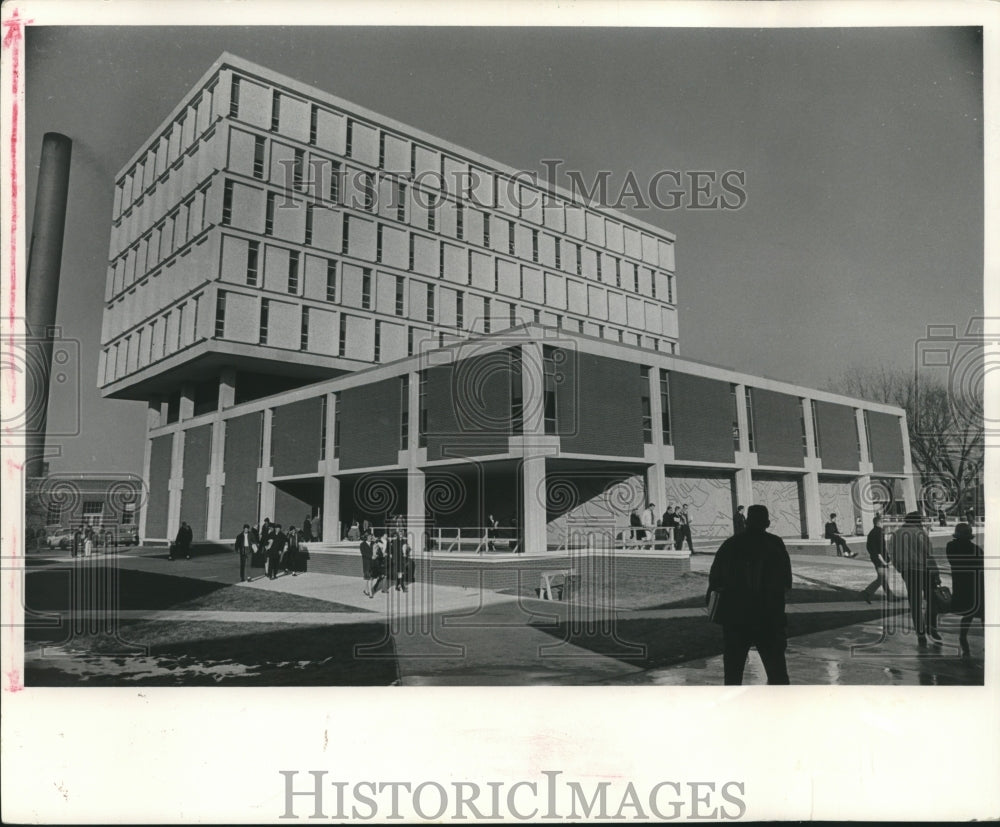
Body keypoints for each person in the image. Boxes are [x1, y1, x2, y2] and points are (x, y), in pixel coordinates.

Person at [707, 505, 792, 685]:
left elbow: (715, 581)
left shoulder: (731, 545)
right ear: (767, 523)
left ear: (746, 522)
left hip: (737, 618)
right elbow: (786, 582)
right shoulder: (775, 544)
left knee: (733, 673)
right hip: (768, 618)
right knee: (777, 672)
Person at [891, 511, 942, 646]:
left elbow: (893, 556)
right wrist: (936, 573)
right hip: (924, 570)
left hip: (908, 572)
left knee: (915, 604)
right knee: (932, 600)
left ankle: (920, 634)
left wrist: (901, 569)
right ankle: (932, 627)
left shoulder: (896, 535)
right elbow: (929, 554)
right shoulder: (920, 533)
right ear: (917, 521)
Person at [946, 523, 984, 657]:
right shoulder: (975, 549)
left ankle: (963, 637)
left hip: (960, 583)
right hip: (975, 584)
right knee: (982, 612)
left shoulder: (950, 547)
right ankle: (987, 638)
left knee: (968, 612)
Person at [861, 515, 893, 603]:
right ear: (879, 523)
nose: (883, 524)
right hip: (880, 559)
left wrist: (875, 556)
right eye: (882, 522)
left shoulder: (871, 533)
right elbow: (880, 549)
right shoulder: (879, 533)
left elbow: (869, 547)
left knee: (883, 578)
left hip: (875, 558)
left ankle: (890, 597)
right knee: (882, 578)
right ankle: (867, 592)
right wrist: (884, 560)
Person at [388, 527, 409, 592]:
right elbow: (390, 550)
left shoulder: (404, 541)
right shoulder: (394, 541)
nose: (401, 535)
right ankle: (401, 586)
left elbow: (406, 551)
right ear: (397, 534)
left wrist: (406, 551)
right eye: (400, 533)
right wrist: (392, 557)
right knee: (398, 573)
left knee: (401, 573)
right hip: (396, 559)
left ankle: (398, 586)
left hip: (402, 559)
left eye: (402, 534)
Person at [360, 530, 375, 596]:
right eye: (369, 536)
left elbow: (377, 550)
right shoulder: (362, 544)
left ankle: (366, 590)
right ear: (366, 537)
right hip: (366, 563)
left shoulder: (373, 543)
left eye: (371, 536)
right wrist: (371, 556)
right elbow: (364, 553)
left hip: (372, 563)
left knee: (369, 578)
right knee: (370, 578)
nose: (370, 537)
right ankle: (370, 593)